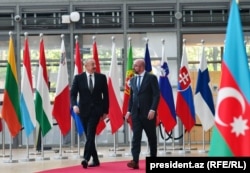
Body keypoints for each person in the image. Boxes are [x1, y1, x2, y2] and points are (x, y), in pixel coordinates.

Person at [70, 58, 109, 169]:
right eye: (92, 64)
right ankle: (96, 160)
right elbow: (73, 94)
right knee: (89, 136)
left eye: (95, 64)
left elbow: (106, 96)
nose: (94, 66)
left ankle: (86, 158)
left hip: (96, 111)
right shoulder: (78, 78)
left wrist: (105, 111)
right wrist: (74, 105)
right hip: (83, 111)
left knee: (90, 132)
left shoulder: (101, 78)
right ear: (85, 66)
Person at [125, 58, 160, 169]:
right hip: (136, 114)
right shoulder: (133, 80)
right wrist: (128, 111)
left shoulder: (151, 78)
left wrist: (153, 109)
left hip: (148, 114)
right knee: (136, 138)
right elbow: (132, 97)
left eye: (135, 66)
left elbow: (156, 95)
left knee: (151, 138)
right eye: (134, 66)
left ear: (141, 66)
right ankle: (135, 161)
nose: (134, 67)